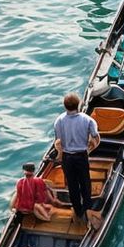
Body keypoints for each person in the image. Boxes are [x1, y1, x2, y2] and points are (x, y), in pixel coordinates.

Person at [51, 93, 100, 223]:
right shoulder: (88, 120)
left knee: (72, 185)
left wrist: (60, 156)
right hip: (81, 156)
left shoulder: (59, 121)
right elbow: (95, 137)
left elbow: (58, 142)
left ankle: (78, 211)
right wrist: (90, 148)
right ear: (79, 105)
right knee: (85, 183)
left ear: (65, 106)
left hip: (67, 158)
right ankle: (88, 208)